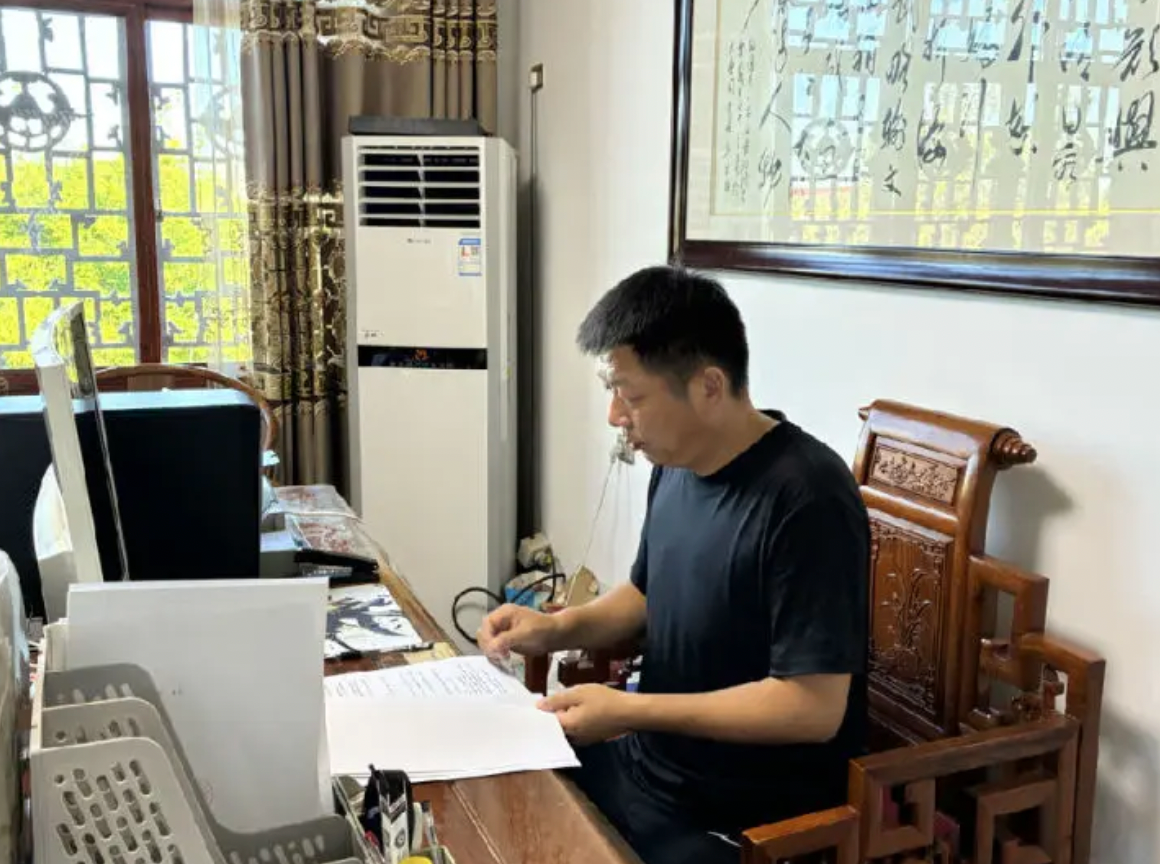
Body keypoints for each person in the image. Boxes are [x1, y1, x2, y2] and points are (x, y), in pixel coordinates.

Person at [477, 265, 870, 864]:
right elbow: (645, 594)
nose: (615, 416)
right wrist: (557, 628)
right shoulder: (677, 463)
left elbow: (812, 707)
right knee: (493, 794)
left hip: (745, 819)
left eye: (631, 396)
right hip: (647, 770)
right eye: (612, 391)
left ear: (709, 386)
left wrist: (629, 710)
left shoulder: (808, 497)